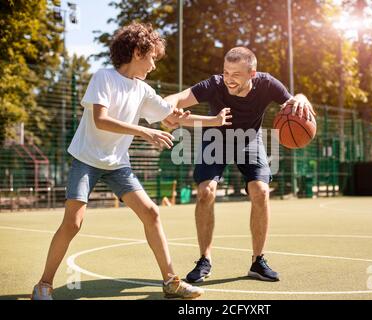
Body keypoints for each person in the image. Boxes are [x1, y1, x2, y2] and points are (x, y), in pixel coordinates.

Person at [31, 22, 231, 300]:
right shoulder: (103, 77)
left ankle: (171, 282)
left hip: (117, 165)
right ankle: (44, 284)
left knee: (151, 213)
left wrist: (214, 121)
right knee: (73, 222)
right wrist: (143, 130)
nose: (154, 65)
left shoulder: (143, 91)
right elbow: (100, 120)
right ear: (138, 52)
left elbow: (173, 117)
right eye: (152, 58)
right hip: (86, 160)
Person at [163, 47, 315, 283]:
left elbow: (293, 99)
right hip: (216, 139)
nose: (229, 79)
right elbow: (177, 98)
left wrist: (302, 97)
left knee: (261, 191)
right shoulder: (214, 85)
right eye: (226, 72)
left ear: (252, 74)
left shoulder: (267, 84)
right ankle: (204, 259)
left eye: (236, 74)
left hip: (249, 141)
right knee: (205, 192)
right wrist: (168, 108)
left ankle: (258, 261)